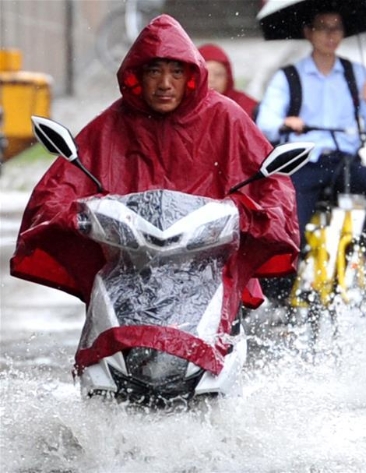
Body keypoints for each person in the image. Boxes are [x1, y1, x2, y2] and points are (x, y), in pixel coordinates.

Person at [10, 15, 299, 365]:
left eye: (176, 72)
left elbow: (270, 184)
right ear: (136, 76)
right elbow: (60, 186)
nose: (165, 83)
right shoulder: (111, 124)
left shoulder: (226, 118)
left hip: (206, 267)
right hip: (130, 269)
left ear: (192, 76)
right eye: (154, 71)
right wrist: (75, 215)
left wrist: (250, 216)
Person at [255, 10, 366, 303]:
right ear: (308, 32)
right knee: (292, 227)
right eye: (323, 28)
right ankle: (281, 294)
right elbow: (265, 122)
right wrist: (285, 123)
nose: (330, 35)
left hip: (345, 162)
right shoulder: (289, 76)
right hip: (306, 163)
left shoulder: (357, 74)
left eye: (337, 29)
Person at [198, 43, 259, 119]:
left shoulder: (246, 106)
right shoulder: (184, 108)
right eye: (206, 75)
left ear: (228, 78)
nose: (212, 80)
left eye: (218, 74)